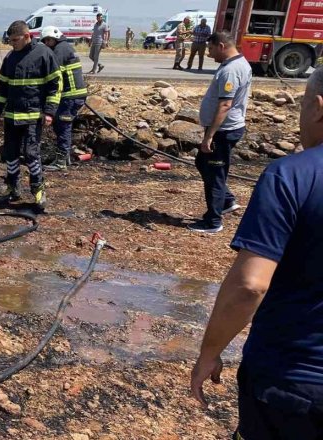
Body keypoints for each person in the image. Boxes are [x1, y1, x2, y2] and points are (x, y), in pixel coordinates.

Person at [190, 67, 323, 439]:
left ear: (317, 108)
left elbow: (249, 284)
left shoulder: (292, 176)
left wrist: (209, 352)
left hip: (294, 383)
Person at [188, 31, 252, 234]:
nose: (209, 53)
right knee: (202, 163)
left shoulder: (231, 70)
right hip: (225, 128)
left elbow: (225, 104)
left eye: (211, 48)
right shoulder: (237, 64)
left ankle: (213, 221)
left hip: (223, 131)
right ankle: (226, 201)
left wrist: (209, 136)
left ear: (222, 46)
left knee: (215, 173)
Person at [0, 20, 61, 208]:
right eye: (10, 41)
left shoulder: (43, 54)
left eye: (15, 40)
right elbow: (3, 87)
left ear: (27, 36)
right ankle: (12, 188)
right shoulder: (10, 58)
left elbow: (55, 85)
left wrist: (49, 112)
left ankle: (38, 189)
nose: (12, 44)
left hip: (32, 115)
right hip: (12, 116)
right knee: (10, 153)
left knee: (31, 154)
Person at [41, 26, 87, 171]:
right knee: (61, 126)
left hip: (70, 96)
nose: (46, 43)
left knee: (63, 126)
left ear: (54, 38)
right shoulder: (65, 47)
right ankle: (64, 158)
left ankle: (61, 162)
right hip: (72, 96)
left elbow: (54, 74)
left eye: (48, 40)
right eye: (45, 41)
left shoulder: (60, 50)